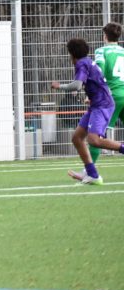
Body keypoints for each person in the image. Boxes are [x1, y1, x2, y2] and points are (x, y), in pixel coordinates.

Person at [51, 38, 124, 184]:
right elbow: (95, 83)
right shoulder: (87, 61)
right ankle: (93, 175)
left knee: (94, 140)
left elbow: (77, 85)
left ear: (72, 54)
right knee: (77, 138)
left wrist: (60, 86)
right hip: (97, 104)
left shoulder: (81, 63)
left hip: (103, 105)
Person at [88, 22, 124, 165]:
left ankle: (90, 171)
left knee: (95, 136)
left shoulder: (101, 51)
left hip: (111, 97)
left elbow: (99, 73)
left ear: (104, 36)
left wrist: (92, 94)